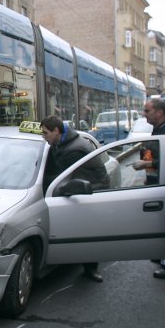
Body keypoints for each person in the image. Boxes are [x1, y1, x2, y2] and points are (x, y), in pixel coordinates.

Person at [40, 115, 107, 282]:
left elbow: (67, 179)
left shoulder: (73, 150)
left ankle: (91, 269)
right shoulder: (60, 142)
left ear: (56, 131)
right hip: (80, 185)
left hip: (91, 189)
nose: (43, 137)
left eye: (45, 133)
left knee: (87, 232)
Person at [133, 98, 165, 279]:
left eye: (147, 111)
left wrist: (147, 163)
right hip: (157, 183)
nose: (144, 114)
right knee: (161, 223)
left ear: (159, 112)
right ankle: (163, 256)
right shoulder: (159, 130)